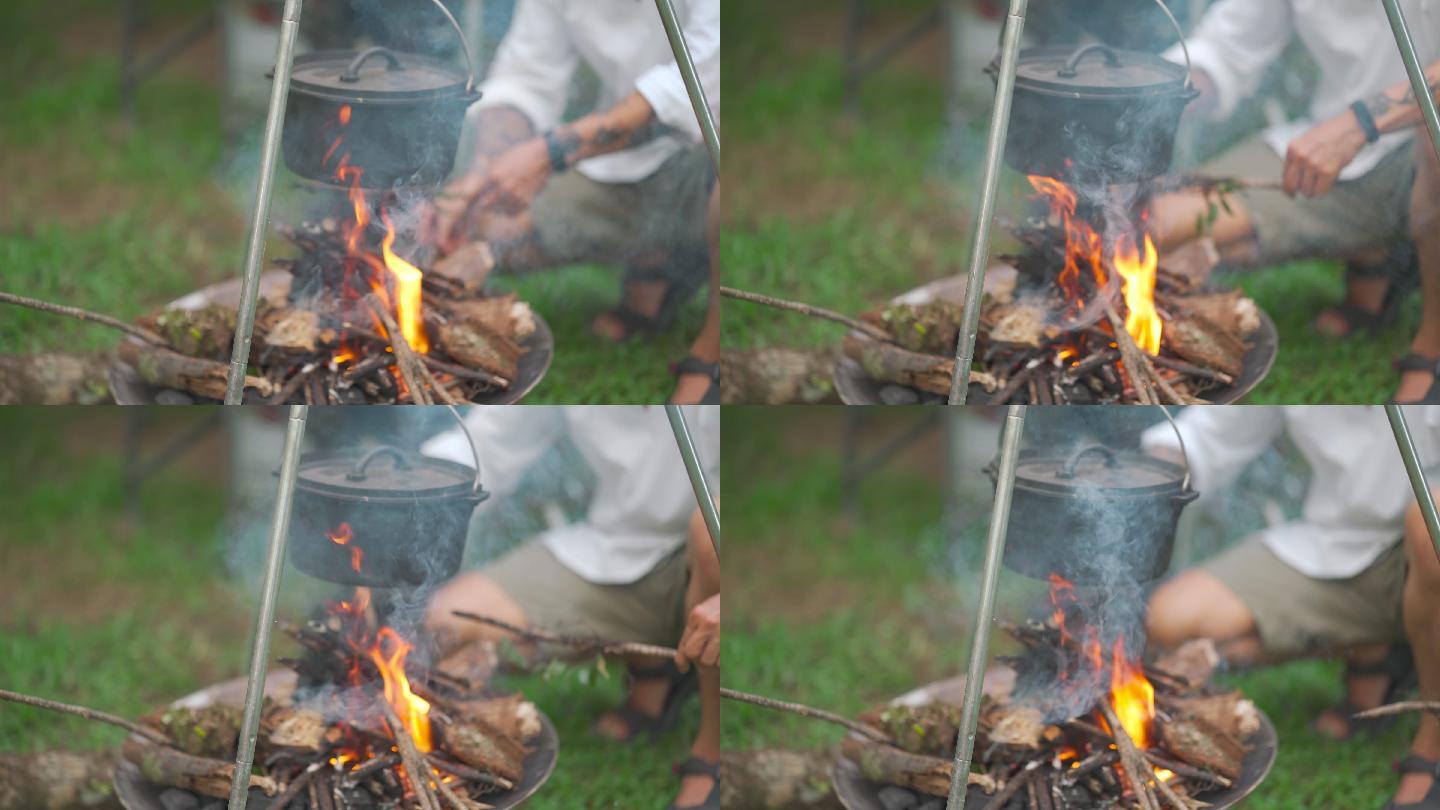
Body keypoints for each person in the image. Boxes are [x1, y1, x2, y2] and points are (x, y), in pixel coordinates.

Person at [420, 406, 721, 810]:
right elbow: (486, 446)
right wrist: (413, 497)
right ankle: (659, 670)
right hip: (618, 546)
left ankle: (714, 752)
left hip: (719, 552)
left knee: (711, 527)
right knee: (445, 622)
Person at [1141, 406, 1440, 809]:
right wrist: (1144, 480)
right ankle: (1381, 651)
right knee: (1171, 618)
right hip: (1342, 544)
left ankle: (1432, 745)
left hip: (1426, 544)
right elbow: (1209, 436)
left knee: (1429, 522)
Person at [423, 0, 721, 404]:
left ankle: (713, 356)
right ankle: (662, 258)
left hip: (724, 144)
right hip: (632, 157)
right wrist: (485, 175)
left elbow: (704, 81)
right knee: (488, 232)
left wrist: (551, 153)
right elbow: (528, 77)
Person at [1148, 2, 1440, 401]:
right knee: (1153, 229)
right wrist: (1147, 96)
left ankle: (1431, 349)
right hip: (1330, 144)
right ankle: (1376, 257)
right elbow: (1227, 48)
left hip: (1409, 144)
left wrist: (1361, 122)